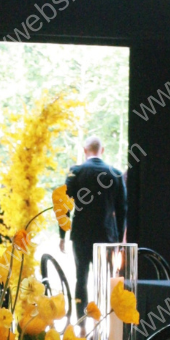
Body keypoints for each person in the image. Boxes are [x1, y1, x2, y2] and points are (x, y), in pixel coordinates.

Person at [58, 136, 126, 319]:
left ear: (84, 150)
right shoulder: (115, 174)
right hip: (106, 236)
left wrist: (62, 234)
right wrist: (119, 239)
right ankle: (104, 321)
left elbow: (64, 205)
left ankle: (81, 324)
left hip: (81, 236)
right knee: (104, 280)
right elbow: (122, 209)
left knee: (81, 279)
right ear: (102, 150)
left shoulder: (76, 172)